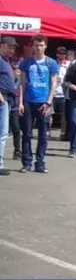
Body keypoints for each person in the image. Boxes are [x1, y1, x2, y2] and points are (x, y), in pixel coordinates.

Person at [18, 36, 58, 174]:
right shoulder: (26, 62)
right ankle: (26, 163)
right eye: (36, 45)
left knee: (43, 135)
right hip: (29, 102)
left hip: (44, 102)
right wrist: (20, 102)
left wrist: (49, 102)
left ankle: (40, 163)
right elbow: (22, 84)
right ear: (32, 46)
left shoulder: (51, 63)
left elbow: (54, 83)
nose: (38, 48)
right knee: (27, 134)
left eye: (41, 45)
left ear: (45, 46)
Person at [0, 37, 17, 177]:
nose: (12, 50)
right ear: (3, 46)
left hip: (7, 99)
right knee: (2, 133)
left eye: (14, 47)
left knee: (3, 133)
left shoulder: (6, 61)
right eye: (10, 47)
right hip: (2, 98)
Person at [50, 45, 68, 140]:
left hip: (63, 94)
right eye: (60, 53)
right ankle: (47, 132)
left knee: (64, 115)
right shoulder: (52, 63)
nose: (62, 55)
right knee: (49, 114)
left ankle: (63, 133)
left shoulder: (68, 65)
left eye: (64, 53)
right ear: (57, 54)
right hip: (52, 93)